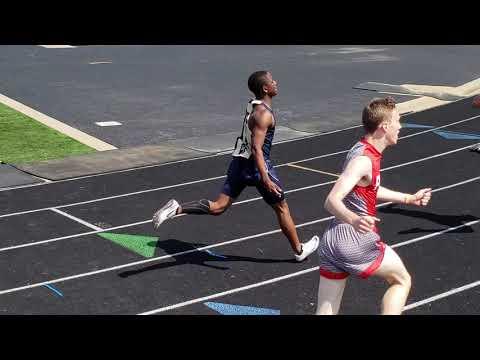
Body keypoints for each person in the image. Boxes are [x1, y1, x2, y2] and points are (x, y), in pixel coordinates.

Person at [152, 71, 319, 262]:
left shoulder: (254, 105)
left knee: (218, 207)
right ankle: (298, 251)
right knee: (282, 207)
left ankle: (177, 209)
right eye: (272, 81)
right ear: (266, 88)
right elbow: (257, 149)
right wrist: (265, 178)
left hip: (239, 164)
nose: (276, 83)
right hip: (257, 167)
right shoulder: (263, 114)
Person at [315, 97, 432, 315]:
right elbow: (331, 200)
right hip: (355, 242)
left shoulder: (360, 150)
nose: (400, 126)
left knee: (326, 310)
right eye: (398, 120)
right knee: (402, 280)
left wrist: (408, 198)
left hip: (333, 242)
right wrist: (355, 219)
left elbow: (371, 188)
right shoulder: (363, 161)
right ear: (384, 126)